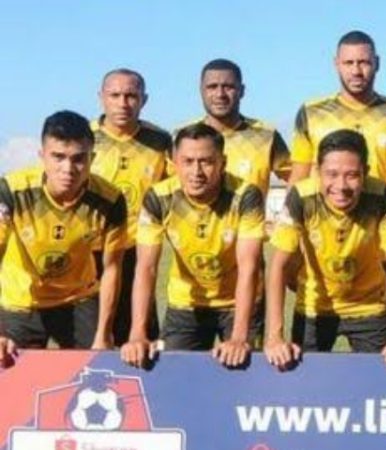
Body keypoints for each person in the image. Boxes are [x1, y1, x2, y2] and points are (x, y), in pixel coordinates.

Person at [265, 129, 386, 372]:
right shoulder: (301, 196)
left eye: (352, 175)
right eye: (332, 174)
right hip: (314, 307)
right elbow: (278, 267)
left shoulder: (381, 195)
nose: (341, 186)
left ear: (366, 172)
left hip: (370, 307)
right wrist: (274, 337)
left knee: (378, 385)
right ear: (318, 171)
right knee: (306, 385)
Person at [120, 123, 264, 368]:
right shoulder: (159, 198)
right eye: (188, 162)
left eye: (206, 162)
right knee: (175, 374)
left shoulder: (246, 196)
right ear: (174, 163)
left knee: (246, 373)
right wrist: (137, 334)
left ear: (223, 163)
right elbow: (146, 268)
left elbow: (249, 266)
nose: (196, 171)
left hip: (238, 303)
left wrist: (239, 337)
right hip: (186, 301)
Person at [0, 111, 127, 365]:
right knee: (10, 372)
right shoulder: (11, 192)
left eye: (78, 159)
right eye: (58, 157)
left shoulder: (110, 200)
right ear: (42, 156)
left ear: (92, 158)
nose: (68, 169)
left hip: (78, 298)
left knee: (98, 366)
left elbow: (112, 268)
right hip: (21, 301)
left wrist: (103, 333)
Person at [288, 30, 386, 217]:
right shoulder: (311, 113)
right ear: (336, 64)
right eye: (348, 63)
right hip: (322, 224)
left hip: (380, 223)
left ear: (377, 63)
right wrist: (289, 222)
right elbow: (298, 178)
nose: (356, 71)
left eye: (364, 62)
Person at [91, 68, 171, 345]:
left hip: (138, 250)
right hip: (91, 249)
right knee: (92, 335)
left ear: (143, 100)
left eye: (131, 96)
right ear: (101, 97)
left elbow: (175, 189)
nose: (123, 103)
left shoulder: (160, 141)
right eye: (115, 95)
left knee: (139, 338)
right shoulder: (86, 137)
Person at [185, 58, 290, 195]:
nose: (220, 94)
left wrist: (289, 207)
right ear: (201, 91)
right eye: (212, 87)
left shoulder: (266, 136)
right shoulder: (182, 136)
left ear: (242, 91)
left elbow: (299, 179)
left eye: (228, 87)